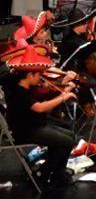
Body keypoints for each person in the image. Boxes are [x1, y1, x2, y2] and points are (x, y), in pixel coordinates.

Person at [3, 46, 77, 189]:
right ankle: (46, 172)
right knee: (66, 141)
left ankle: (56, 172)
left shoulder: (26, 88)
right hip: (26, 131)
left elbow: (43, 106)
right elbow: (40, 107)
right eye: (38, 75)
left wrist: (62, 91)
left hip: (36, 125)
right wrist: (62, 96)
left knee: (69, 135)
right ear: (30, 75)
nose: (40, 78)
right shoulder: (18, 92)